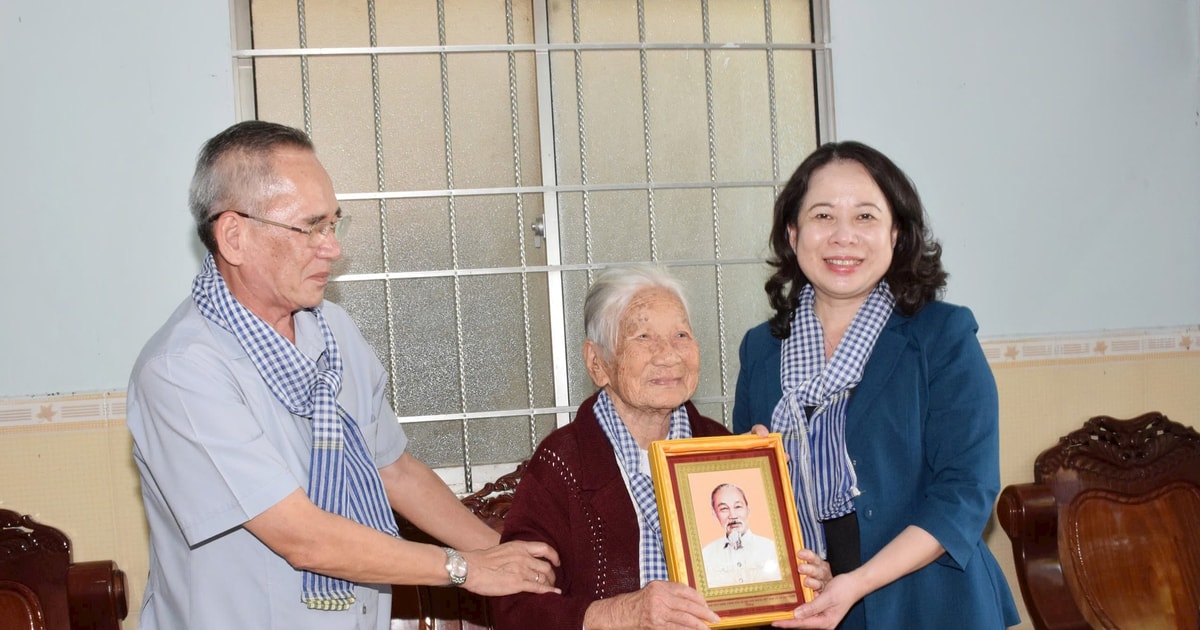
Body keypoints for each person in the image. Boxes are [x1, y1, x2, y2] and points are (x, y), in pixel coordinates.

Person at [126, 120, 560, 630]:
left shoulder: (331, 329)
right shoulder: (182, 371)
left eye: (333, 224)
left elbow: (391, 468)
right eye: (309, 227)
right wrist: (463, 569)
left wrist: (504, 554)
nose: (330, 248)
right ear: (234, 236)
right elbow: (300, 535)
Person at [732, 141, 1019, 629]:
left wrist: (857, 581)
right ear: (792, 231)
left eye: (865, 217)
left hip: (933, 605)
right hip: (811, 608)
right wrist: (755, 473)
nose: (844, 237)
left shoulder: (941, 335)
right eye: (823, 216)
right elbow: (752, 506)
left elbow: (966, 492)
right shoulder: (761, 350)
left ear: (897, 232)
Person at [492, 266, 831, 629]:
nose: (669, 355)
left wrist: (806, 586)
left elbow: (758, 586)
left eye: (681, 334)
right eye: (643, 336)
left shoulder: (724, 450)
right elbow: (515, 607)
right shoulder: (563, 463)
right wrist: (619, 614)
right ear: (597, 363)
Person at [700, 483, 782, 588]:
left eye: (738, 506)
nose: (733, 516)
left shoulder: (772, 549)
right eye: (724, 509)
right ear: (715, 515)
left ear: (748, 510)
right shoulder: (706, 556)